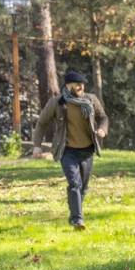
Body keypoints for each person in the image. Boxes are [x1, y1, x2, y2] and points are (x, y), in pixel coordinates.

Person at [30, 70, 109, 230]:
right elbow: (41, 122)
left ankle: (74, 210)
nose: (81, 87)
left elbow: (103, 117)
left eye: (82, 85)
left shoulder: (90, 100)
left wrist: (102, 129)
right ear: (68, 85)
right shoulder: (57, 103)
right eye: (77, 85)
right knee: (74, 183)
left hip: (87, 150)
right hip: (67, 150)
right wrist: (37, 145)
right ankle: (77, 220)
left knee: (83, 187)